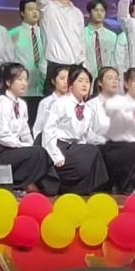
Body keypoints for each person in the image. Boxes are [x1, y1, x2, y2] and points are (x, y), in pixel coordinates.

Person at [0, 63, 59, 194]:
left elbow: (25, 131)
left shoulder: (21, 104)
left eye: (25, 79)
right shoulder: (1, 102)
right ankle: (30, 184)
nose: (24, 83)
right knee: (38, 153)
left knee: (39, 151)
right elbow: (2, 136)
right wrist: (22, 146)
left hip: (13, 147)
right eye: (19, 79)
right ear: (8, 82)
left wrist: (30, 145)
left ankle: (34, 184)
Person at [41, 65, 111, 194]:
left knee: (95, 151)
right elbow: (48, 130)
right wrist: (55, 155)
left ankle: (83, 188)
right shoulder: (61, 103)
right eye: (80, 81)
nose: (84, 85)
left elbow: (84, 135)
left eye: (87, 81)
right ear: (71, 85)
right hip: (57, 146)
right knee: (91, 152)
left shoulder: (87, 109)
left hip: (73, 146)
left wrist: (103, 141)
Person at [8, 0, 45, 97]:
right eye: (30, 9)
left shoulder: (45, 33)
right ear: (22, 13)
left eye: (37, 9)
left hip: (43, 87)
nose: (34, 12)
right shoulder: (13, 34)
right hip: (22, 89)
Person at [33, 64, 71, 140]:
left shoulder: (73, 102)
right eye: (62, 78)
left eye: (68, 79)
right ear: (53, 81)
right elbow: (38, 128)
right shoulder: (46, 103)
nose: (66, 82)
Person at [84, 0, 119, 76]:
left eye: (102, 10)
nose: (99, 13)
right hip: (87, 76)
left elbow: (115, 60)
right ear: (89, 12)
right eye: (96, 10)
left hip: (107, 77)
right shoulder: (82, 34)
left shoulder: (112, 36)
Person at [88, 66, 120, 144]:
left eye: (116, 79)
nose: (114, 81)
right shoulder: (90, 106)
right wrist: (104, 141)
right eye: (110, 78)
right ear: (100, 82)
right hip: (101, 145)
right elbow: (86, 133)